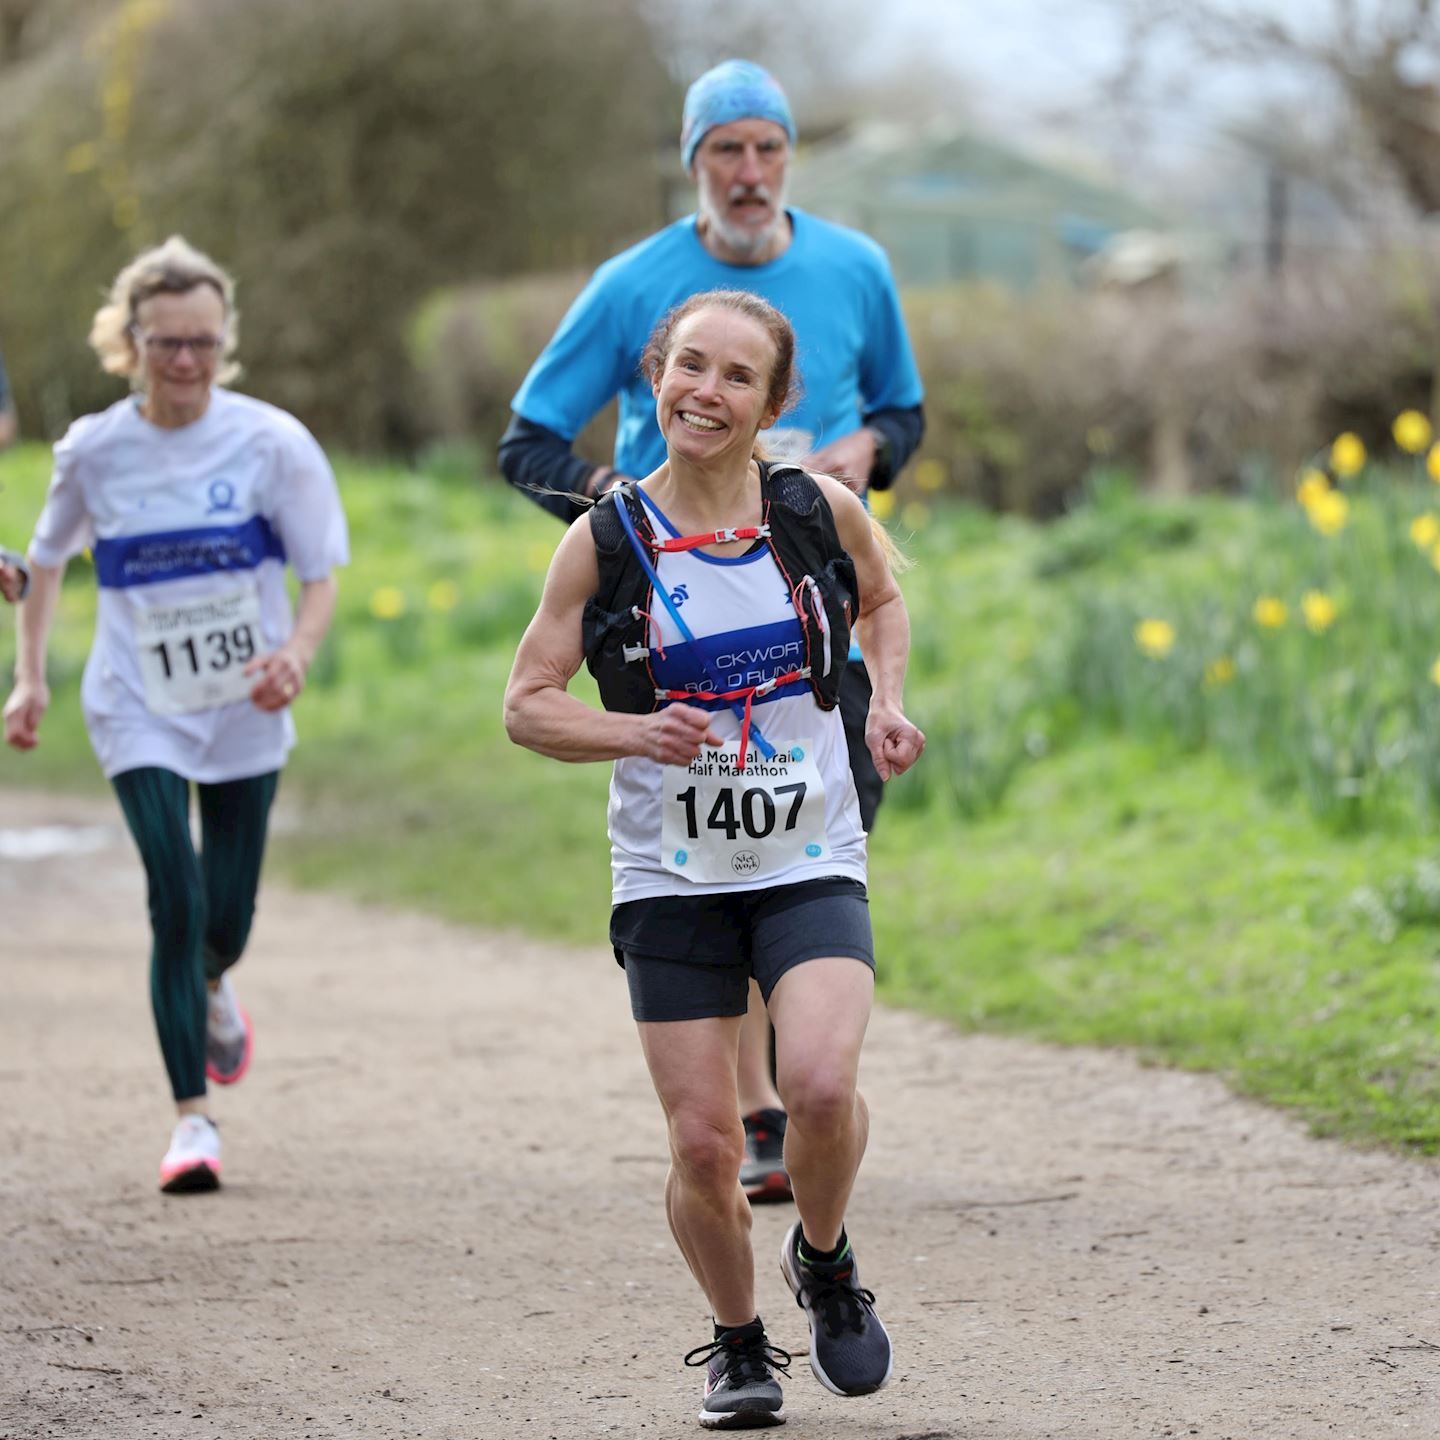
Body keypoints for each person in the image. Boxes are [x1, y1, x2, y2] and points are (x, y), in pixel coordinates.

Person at [499, 58, 925, 1204]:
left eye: (766, 149)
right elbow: (526, 441)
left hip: (809, 612)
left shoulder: (856, 266)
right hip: (676, 632)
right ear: (694, 161)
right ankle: (763, 1114)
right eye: (724, 149)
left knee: (806, 850)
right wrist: (622, 518)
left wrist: (863, 458)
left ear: (790, 158)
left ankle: (804, 1101)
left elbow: (903, 410)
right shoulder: (635, 280)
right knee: (720, 856)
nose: (747, 172)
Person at [504, 290, 924, 1429]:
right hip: (671, 879)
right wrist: (633, 731)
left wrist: (885, 702)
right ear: (657, 378)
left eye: (739, 377)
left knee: (822, 1086)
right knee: (702, 1145)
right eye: (692, 366)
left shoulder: (814, 510)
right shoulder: (605, 541)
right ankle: (739, 1346)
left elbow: (882, 596)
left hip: (807, 854)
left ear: (774, 402)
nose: (709, 392)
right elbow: (527, 707)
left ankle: (825, 1264)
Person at [2, 236, 349, 1194]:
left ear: (224, 339)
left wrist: (296, 654)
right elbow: (42, 565)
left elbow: (318, 574)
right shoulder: (95, 449)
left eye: (201, 341)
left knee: (224, 922)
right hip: (137, 702)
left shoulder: (272, 442)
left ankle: (210, 978)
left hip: (243, 705)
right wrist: (29, 679)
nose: (185, 361)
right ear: (131, 343)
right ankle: (191, 1120)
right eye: (166, 344)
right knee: (176, 897)